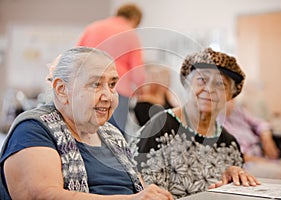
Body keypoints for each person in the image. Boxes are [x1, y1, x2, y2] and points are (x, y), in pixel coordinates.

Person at [0, 47, 174, 200]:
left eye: (112, 84)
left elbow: (139, 191)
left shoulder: (112, 135)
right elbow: (42, 196)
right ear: (61, 90)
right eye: (96, 84)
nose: (108, 96)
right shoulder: (33, 129)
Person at [130, 48, 260, 199]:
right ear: (187, 84)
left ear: (231, 95)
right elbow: (149, 194)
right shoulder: (161, 128)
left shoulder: (229, 143)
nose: (209, 89)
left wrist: (236, 182)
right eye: (202, 80)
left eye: (220, 84)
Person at [77, 3, 145, 135]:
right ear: (134, 19)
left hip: (89, 87)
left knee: (87, 132)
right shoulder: (130, 33)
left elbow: (76, 57)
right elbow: (138, 73)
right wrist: (140, 88)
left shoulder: (92, 28)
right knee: (114, 136)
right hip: (117, 89)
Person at [218, 99, 281, 180]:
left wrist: (266, 137)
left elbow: (261, 123)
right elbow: (235, 155)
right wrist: (262, 161)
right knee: (278, 173)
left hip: (261, 156)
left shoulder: (238, 112)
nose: (232, 101)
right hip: (246, 163)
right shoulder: (216, 123)